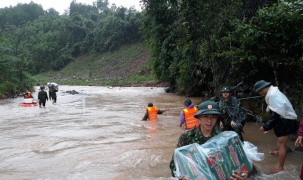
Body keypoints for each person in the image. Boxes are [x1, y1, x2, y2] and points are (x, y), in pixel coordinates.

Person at [169, 100, 245, 180]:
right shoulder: (187, 137)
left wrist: (238, 174)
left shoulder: (223, 138)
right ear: (199, 117)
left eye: (213, 117)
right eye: (205, 116)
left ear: (217, 119)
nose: (209, 120)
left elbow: (234, 164)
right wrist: (182, 177)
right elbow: (174, 164)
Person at [253, 80, 297, 174]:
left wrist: (266, 126)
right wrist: (269, 126)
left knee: (281, 144)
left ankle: (280, 168)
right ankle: (282, 152)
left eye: (259, 91)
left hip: (286, 119)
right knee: (281, 143)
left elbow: (276, 114)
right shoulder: (273, 93)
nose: (259, 93)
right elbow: (276, 112)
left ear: (264, 88)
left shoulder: (273, 95)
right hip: (285, 118)